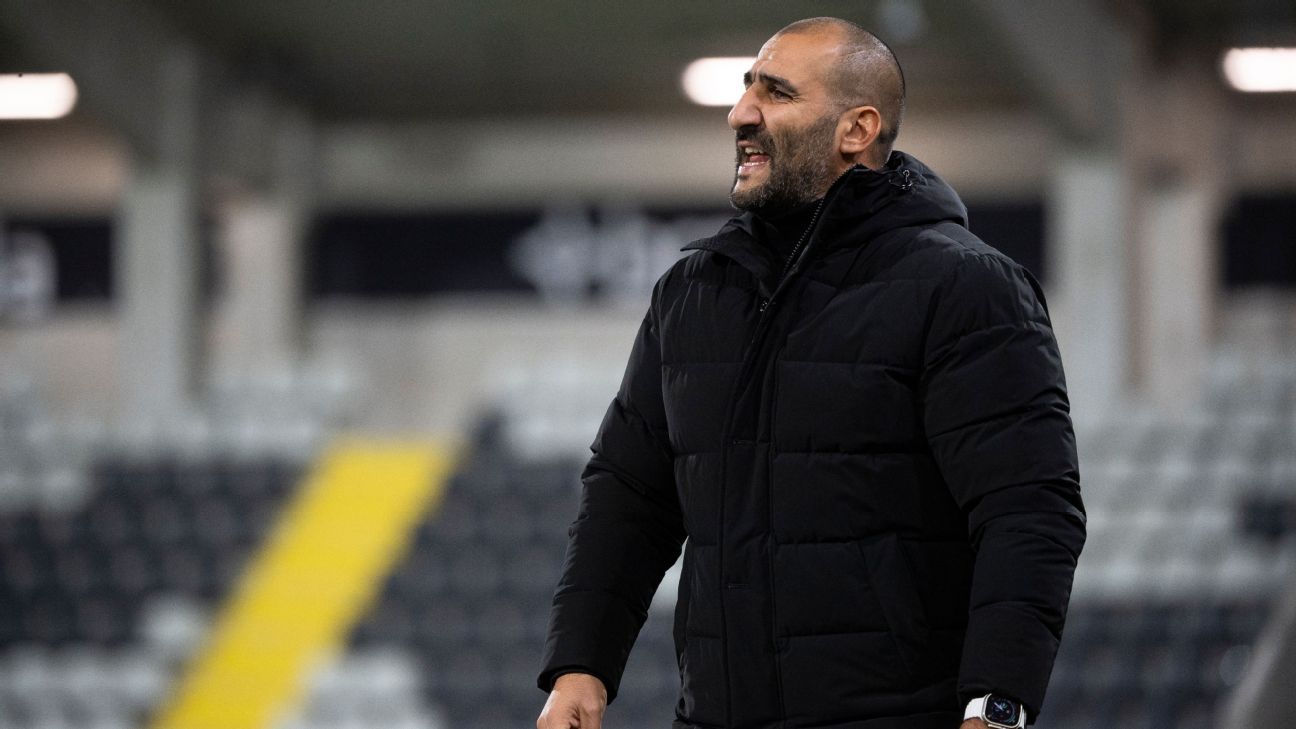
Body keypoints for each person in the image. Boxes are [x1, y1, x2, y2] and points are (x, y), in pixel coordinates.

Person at [537, 16, 1085, 729]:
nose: (741, 113)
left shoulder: (965, 287)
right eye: (746, 90)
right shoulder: (693, 292)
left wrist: (997, 703)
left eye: (776, 93)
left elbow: (1027, 509)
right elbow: (628, 496)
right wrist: (580, 665)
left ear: (856, 130)